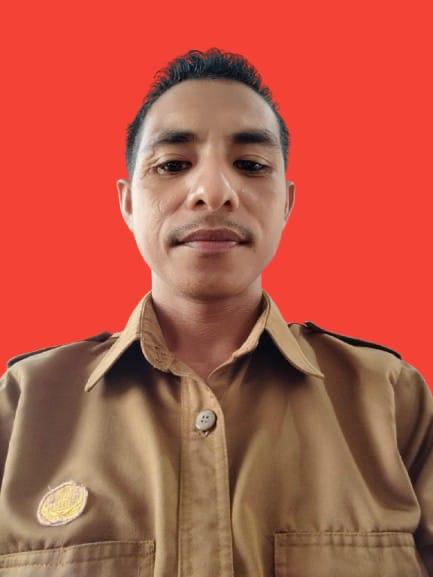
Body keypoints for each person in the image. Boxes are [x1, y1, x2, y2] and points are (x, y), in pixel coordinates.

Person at [0, 48, 431, 577]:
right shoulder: (22, 406)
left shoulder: (391, 401)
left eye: (250, 165)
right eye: (172, 165)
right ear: (128, 203)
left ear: (286, 203)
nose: (213, 192)